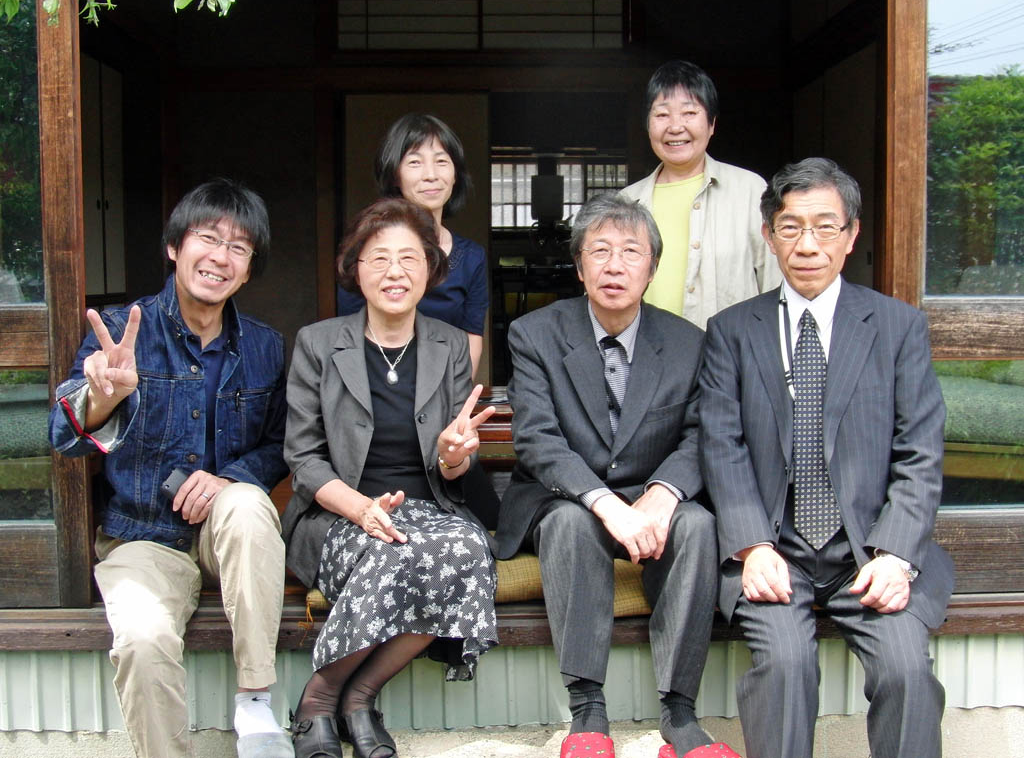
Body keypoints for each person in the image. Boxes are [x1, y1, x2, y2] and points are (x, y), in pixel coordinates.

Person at [699, 158, 953, 758]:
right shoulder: (732, 331)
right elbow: (721, 444)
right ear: (769, 236)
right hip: (775, 549)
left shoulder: (897, 327)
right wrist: (752, 544)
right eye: (790, 227)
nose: (807, 245)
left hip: (869, 550)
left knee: (905, 671)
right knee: (785, 667)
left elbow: (920, 451)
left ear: (851, 234)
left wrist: (895, 554)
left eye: (825, 227)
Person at [48, 179, 292, 758]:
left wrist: (230, 477)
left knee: (247, 502)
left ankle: (255, 699)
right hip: (141, 535)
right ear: (174, 247)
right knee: (141, 640)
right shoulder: (120, 332)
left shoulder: (265, 347)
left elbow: (282, 443)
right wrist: (103, 396)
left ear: (249, 269)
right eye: (208, 238)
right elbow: (63, 436)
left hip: (226, 535)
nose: (221, 257)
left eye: (238, 247)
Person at [495, 194, 740, 758]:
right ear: (579, 267)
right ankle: (587, 709)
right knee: (571, 524)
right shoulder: (534, 334)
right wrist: (605, 503)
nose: (614, 266)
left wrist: (663, 494)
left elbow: (701, 435)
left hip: (650, 494)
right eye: (599, 251)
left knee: (697, 525)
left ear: (652, 269)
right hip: (566, 495)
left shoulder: (688, 343)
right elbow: (537, 440)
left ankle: (680, 712)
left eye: (631, 252)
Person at [282, 197, 499, 758]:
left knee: (467, 547)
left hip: (430, 510)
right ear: (356, 269)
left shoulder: (451, 344)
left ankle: (354, 696)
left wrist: (455, 455)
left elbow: (454, 466)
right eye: (378, 258)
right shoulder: (318, 343)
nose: (394, 271)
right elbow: (303, 458)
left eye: (409, 258)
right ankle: (321, 700)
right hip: (337, 513)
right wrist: (362, 509)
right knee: (393, 550)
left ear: (430, 269)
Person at [622, 60, 781, 329]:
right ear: (648, 125)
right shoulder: (625, 202)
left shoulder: (751, 191)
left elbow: (775, 285)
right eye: (662, 115)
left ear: (711, 124)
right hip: (645, 351)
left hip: (730, 351)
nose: (675, 127)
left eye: (689, 113)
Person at [337, 113, 489, 378]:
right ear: (395, 175)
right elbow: (349, 331)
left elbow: (471, 339)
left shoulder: (472, 257)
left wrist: (457, 393)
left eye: (441, 161)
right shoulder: (365, 250)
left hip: (444, 384)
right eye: (415, 162)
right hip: (376, 382)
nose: (431, 175)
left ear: (455, 174)